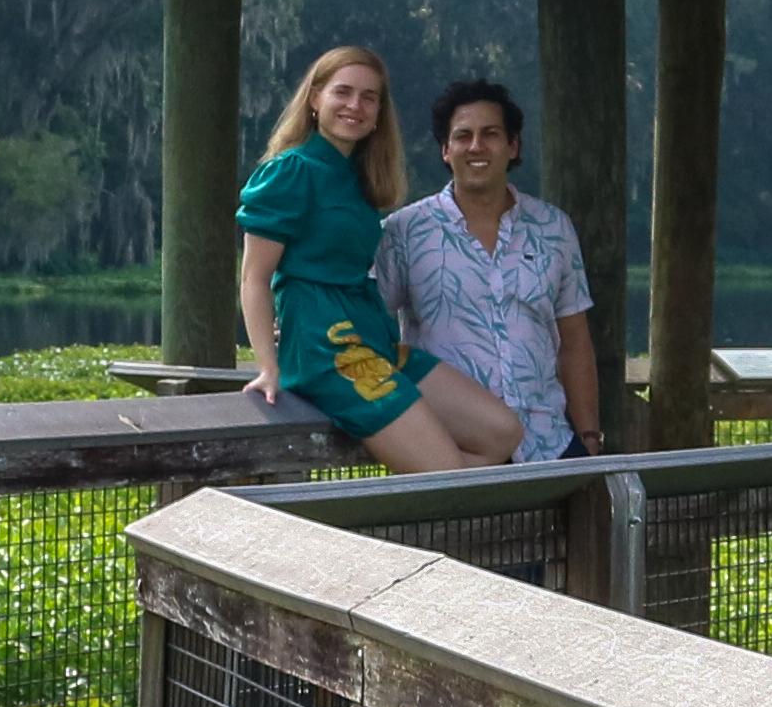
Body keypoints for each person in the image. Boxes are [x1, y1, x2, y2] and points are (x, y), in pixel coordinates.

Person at [234, 46, 527, 471]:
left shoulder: (357, 178)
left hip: (373, 338)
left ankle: (439, 491)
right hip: (325, 350)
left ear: (378, 113)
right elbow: (254, 278)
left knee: (501, 432)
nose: (355, 105)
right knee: (445, 470)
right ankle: (437, 490)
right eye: (343, 92)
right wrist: (268, 366)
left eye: (369, 97)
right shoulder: (291, 170)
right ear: (315, 99)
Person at [380, 78, 600, 463]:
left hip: (550, 445)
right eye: (463, 136)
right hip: (454, 451)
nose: (476, 147)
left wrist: (589, 437)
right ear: (446, 150)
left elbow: (575, 340)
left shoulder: (553, 227)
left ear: (513, 146)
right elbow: (367, 325)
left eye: (491, 134)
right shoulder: (404, 232)